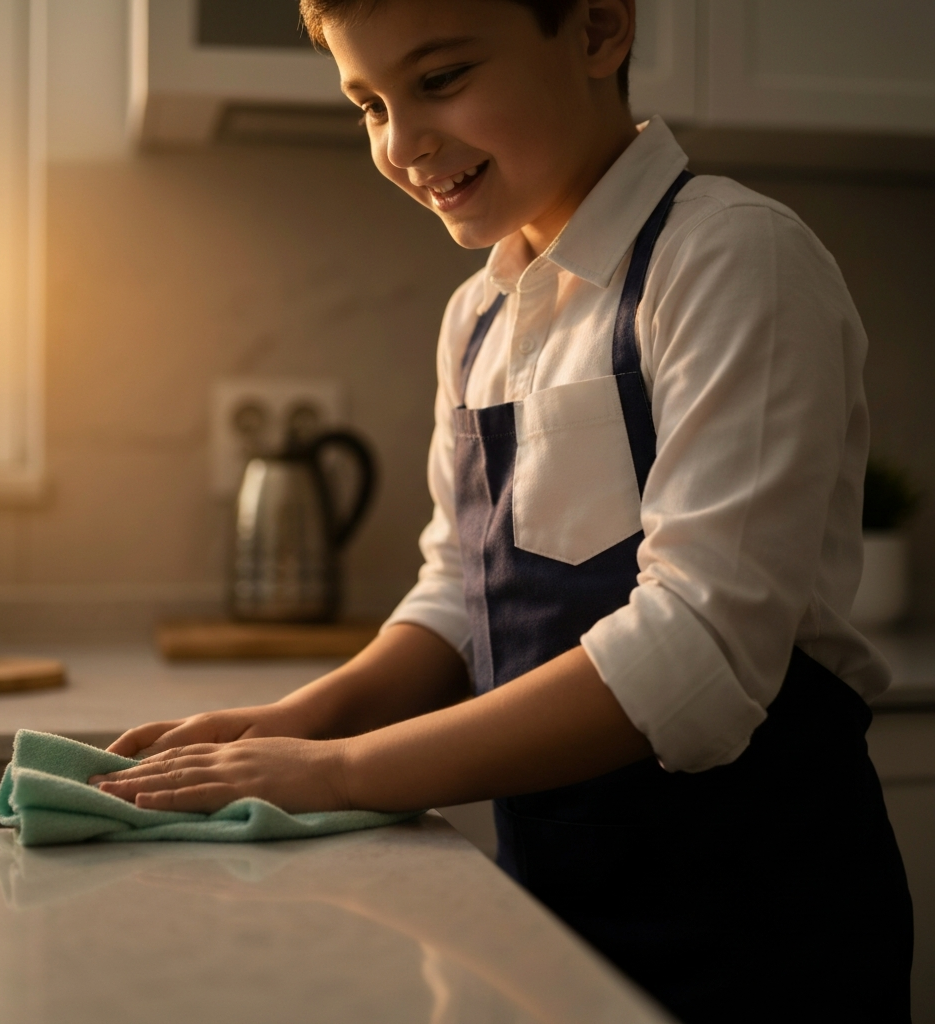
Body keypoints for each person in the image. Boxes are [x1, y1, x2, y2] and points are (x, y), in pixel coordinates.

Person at [91, 2, 913, 1020]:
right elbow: (455, 594)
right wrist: (290, 724)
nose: (401, 142)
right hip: (551, 906)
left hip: (759, 925)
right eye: (369, 104)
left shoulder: (731, 260)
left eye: (439, 80)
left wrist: (342, 770)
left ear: (598, 31)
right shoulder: (476, 316)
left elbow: (698, 648)